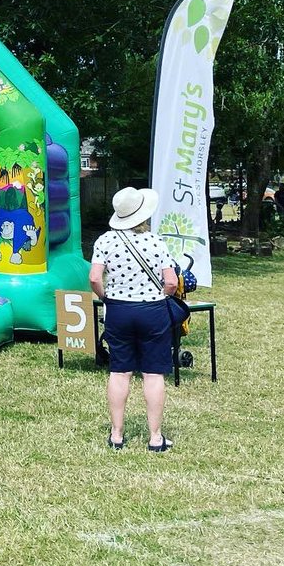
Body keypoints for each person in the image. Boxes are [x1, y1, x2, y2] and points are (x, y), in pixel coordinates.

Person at [89, 186, 178, 452]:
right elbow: (171, 282)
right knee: (153, 374)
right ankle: (155, 437)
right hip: (152, 310)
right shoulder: (156, 242)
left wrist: (106, 297)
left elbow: (94, 277)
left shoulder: (104, 241)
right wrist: (161, 295)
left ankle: (117, 434)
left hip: (118, 309)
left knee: (120, 371)